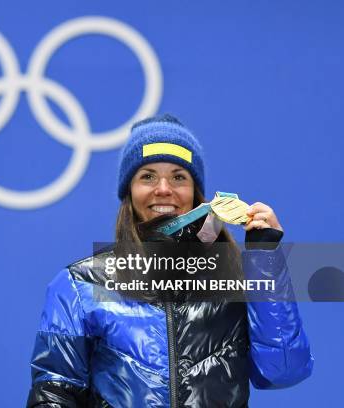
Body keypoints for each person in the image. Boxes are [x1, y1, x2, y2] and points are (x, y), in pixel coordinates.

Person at [26, 114, 313, 407]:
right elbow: (53, 393)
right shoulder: (79, 285)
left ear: (196, 193)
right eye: (147, 176)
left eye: (178, 177)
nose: (163, 189)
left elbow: (284, 371)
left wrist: (265, 259)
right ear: (129, 192)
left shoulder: (235, 278)